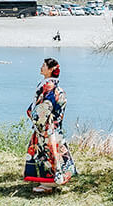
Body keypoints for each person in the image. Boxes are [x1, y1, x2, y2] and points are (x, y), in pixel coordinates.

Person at [24, 57, 76, 193]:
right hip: (54, 126)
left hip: (46, 127)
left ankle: (48, 184)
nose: (41, 67)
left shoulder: (48, 86)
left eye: (44, 65)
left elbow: (45, 107)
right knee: (55, 152)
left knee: (47, 154)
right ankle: (52, 181)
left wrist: (32, 113)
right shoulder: (56, 87)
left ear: (51, 69)